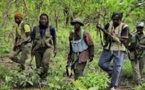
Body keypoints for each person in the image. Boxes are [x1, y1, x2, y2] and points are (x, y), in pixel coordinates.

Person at [97, 12, 129, 90]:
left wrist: (114, 36)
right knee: (101, 63)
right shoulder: (109, 24)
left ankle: (114, 85)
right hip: (109, 47)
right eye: (114, 19)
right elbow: (104, 31)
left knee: (117, 67)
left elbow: (123, 39)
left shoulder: (124, 26)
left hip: (119, 49)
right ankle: (112, 72)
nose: (115, 21)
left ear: (120, 20)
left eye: (117, 20)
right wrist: (102, 30)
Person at [31, 13, 57, 85]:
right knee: (38, 65)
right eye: (42, 19)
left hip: (47, 48)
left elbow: (54, 38)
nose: (43, 20)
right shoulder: (35, 29)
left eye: (45, 19)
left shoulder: (51, 28)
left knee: (45, 63)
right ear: (40, 20)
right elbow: (32, 40)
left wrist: (55, 49)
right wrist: (32, 51)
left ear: (47, 20)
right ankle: (40, 78)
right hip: (37, 48)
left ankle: (44, 78)